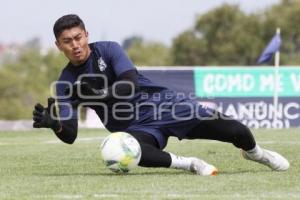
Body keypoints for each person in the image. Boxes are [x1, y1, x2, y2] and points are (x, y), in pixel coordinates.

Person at [32, 14, 289, 176]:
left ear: (86, 35)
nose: (75, 45)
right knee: (128, 152)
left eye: (78, 37)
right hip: (135, 128)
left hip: (166, 107)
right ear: (58, 46)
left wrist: (99, 94)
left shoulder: (109, 50)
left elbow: (129, 84)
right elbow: (70, 136)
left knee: (238, 132)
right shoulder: (66, 83)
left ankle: (256, 154)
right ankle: (190, 164)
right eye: (67, 41)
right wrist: (55, 124)